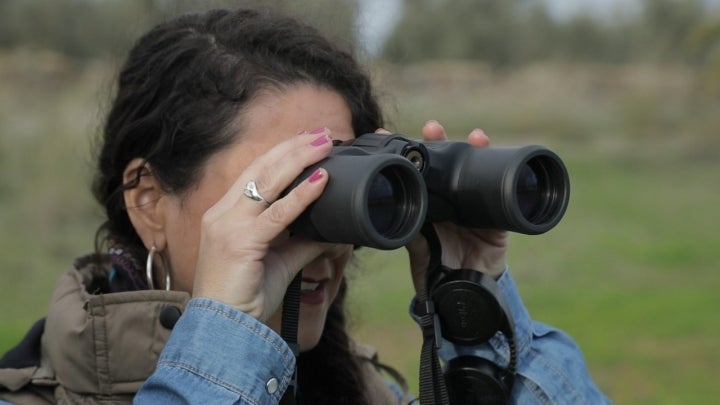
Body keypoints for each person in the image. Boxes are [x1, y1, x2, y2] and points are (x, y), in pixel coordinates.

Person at [0, 7, 611, 405]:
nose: (320, 238)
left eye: (339, 186)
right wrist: (224, 342)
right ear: (149, 200)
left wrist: (478, 320)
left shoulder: (370, 392)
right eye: (278, 187)